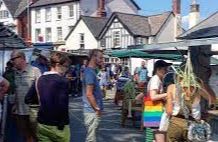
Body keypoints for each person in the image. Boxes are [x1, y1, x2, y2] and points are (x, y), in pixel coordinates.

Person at [10, 50, 41, 142]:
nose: (12, 61)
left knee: (37, 136)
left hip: (33, 111)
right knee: (26, 136)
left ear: (21, 58)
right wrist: (14, 105)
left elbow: (41, 90)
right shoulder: (15, 73)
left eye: (13, 59)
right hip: (20, 111)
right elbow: (16, 90)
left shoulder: (35, 71)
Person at [143, 60, 171, 142]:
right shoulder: (155, 79)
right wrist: (167, 94)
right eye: (165, 69)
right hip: (154, 112)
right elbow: (153, 97)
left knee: (151, 138)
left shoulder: (156, 79)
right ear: (158, 69)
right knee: (159, 137)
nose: (166, 71)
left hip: (151, 112)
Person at [82, 49, 104, 142]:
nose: (102, 60)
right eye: (100, 58)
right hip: (91, 111)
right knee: (91, 139)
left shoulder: (91, 71)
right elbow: (89, 94)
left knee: (92, 137)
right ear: (94, 57)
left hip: (92, 111)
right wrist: (97, 108)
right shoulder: (90, 72)